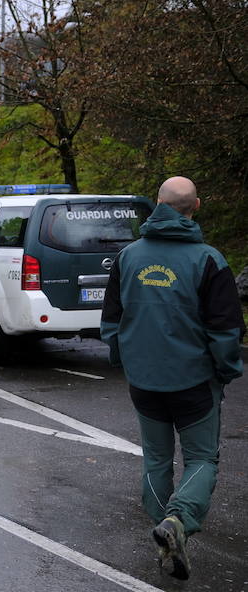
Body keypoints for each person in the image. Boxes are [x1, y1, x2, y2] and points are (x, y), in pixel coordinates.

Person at [100, 176, 244, 580]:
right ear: (195, 206)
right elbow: (226, 331)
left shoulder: (128, 257)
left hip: (143, 380)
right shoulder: (209, 260)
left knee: (157, 458)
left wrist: (122, 359)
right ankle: (178, 522)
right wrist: (227, 369)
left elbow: (111, 320)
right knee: (201, 458)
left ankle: (165, 541)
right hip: (194, 380)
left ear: (158, 204)